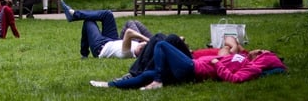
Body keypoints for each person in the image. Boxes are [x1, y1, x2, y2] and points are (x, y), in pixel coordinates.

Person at [90, 38, 286, 90]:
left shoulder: (250, 67)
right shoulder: (242, 56)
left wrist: (217, 63)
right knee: (148, 74)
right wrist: (233, 48)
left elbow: (234, 79)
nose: (259, 50)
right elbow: (228, 41)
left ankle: (157, 81)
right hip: (192, 62)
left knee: (162, 44)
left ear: (265, 60)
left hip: (193, 68)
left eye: (263, 52)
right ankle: (110, 84)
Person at [61, 0, 149, 59]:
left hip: (101, 47)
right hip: (113, 40)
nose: (142, 45)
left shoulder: (128, 53)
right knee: (108, 14)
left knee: (88, 21)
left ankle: (84, 54)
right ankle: (74, 15)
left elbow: (129, 33)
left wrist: (147, 40)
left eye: (142, 47)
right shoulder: (139, 45)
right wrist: (153, 41)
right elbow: (131, 24)